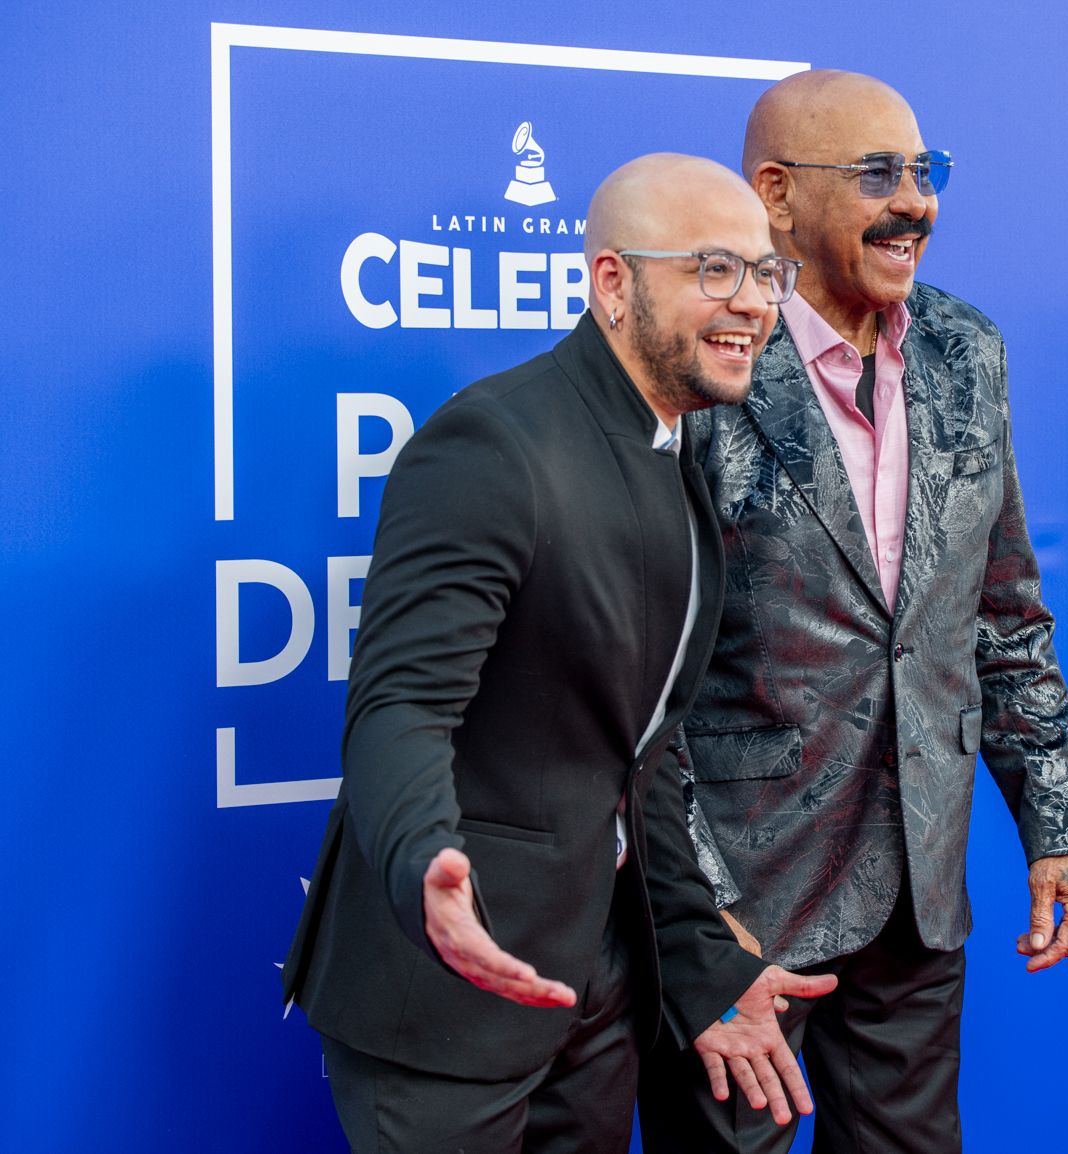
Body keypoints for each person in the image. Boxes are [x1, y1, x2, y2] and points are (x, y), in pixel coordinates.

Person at [280, 153, 836, 1154]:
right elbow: (400, 706)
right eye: (716, 270)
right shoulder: (493, 443)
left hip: (596, 989)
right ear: (614, 283)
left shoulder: (677, 450)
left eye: (765, 273)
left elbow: (640, 755)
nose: (753, 303)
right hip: (448, 993)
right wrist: (424, 865)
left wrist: (700, 959)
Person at [636, 72, 1068, 1154]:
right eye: (880, 174)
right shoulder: (706, 354)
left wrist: (1057, 826)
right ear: (776, 196)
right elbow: (644, 676)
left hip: (918, 892)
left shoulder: (967, 350)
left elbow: (1003, 615)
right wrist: (703, 914)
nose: (918, 202)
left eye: (925, 172)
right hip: (741, 900)